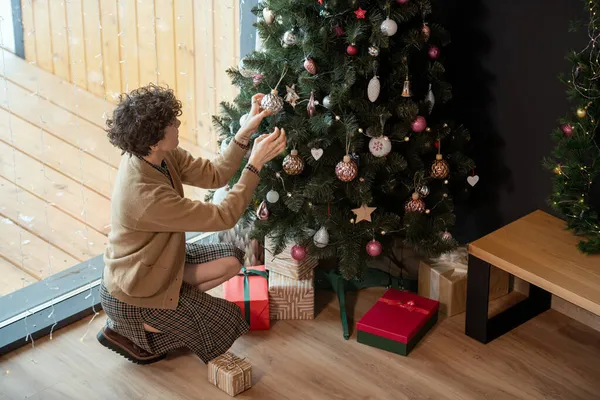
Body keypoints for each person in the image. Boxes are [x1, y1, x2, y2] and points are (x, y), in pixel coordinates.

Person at [96, 83, 286, 364]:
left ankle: (173, 315)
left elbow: (214, 175)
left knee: (232, 261)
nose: (178, 123)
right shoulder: (146, 196)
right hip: (135, 289)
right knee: (227, 321)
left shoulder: (158, 155)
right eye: (172, 122)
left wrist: (244, 134)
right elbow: (223, 216)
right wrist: (254, 165)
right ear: (155, 139)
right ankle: (133, 331)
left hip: (158, 265)